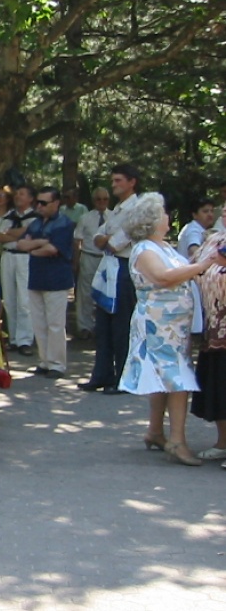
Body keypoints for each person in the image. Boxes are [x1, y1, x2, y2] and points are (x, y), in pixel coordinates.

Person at [116, 193, 221, 466]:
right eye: (163, 213)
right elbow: (163, 277)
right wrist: (202, 266)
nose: (168, 216)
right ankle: (177, 440)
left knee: (163, 377)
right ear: (151, 220)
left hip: (174, 325)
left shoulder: (162, 247)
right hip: (158, 324)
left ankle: (155, 430)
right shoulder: (144, 250)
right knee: (178, 380)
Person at [79, 164, 142, 394]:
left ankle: (123, 378)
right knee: (103, 324)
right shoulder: (116, 209)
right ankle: (102, 374)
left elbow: (117, 243)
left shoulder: (137, 209)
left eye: (118, 180)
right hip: (108, 267)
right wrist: (105, 238)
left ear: (131, 182)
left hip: (124, 268)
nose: (114, 184)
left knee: (120, 325)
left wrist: (106, 239)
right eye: (113, 180)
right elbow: (97, 237)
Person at [17, 187, 75, 379]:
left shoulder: (64, 224)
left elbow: (52, 249)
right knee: (39, 322)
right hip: (37, 278)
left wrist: (34, 246)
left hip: (57, 279)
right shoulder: (34, 224)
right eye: (38, 202)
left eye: (44, 203)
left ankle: (57, 364)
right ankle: (44, 361)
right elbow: (20, 244)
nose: (39, 206)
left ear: (56, 203)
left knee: (55, 324)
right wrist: (40, 243)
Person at [192, 219, 226, 467]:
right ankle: (223, 442)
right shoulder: (214, 240)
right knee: (218, 386)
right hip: (214, 328)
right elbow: (194, 268)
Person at [0, 184, 36, 355]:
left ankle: (25, 340)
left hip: (25, 257)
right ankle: (13, 338)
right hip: (7, 256)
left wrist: (11, 233)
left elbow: (33, 234)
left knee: (24, 300)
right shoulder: (9, 216)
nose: (18, 197)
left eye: (22, 193)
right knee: (9, 298)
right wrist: (21, 232)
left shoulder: (35, 217)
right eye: (17, 194)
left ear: (30, 198)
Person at [72, 188, 110, 340]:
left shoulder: (113, 217)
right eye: (98, 199)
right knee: (85, 293)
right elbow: (77, 240)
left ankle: (103, 326)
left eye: (105, 199)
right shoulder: (86, 217)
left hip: (107, 257)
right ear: (94, 201)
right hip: (89, 256)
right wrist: (76, 261)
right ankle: (84, 326)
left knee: (106, 292)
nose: (102, 202)